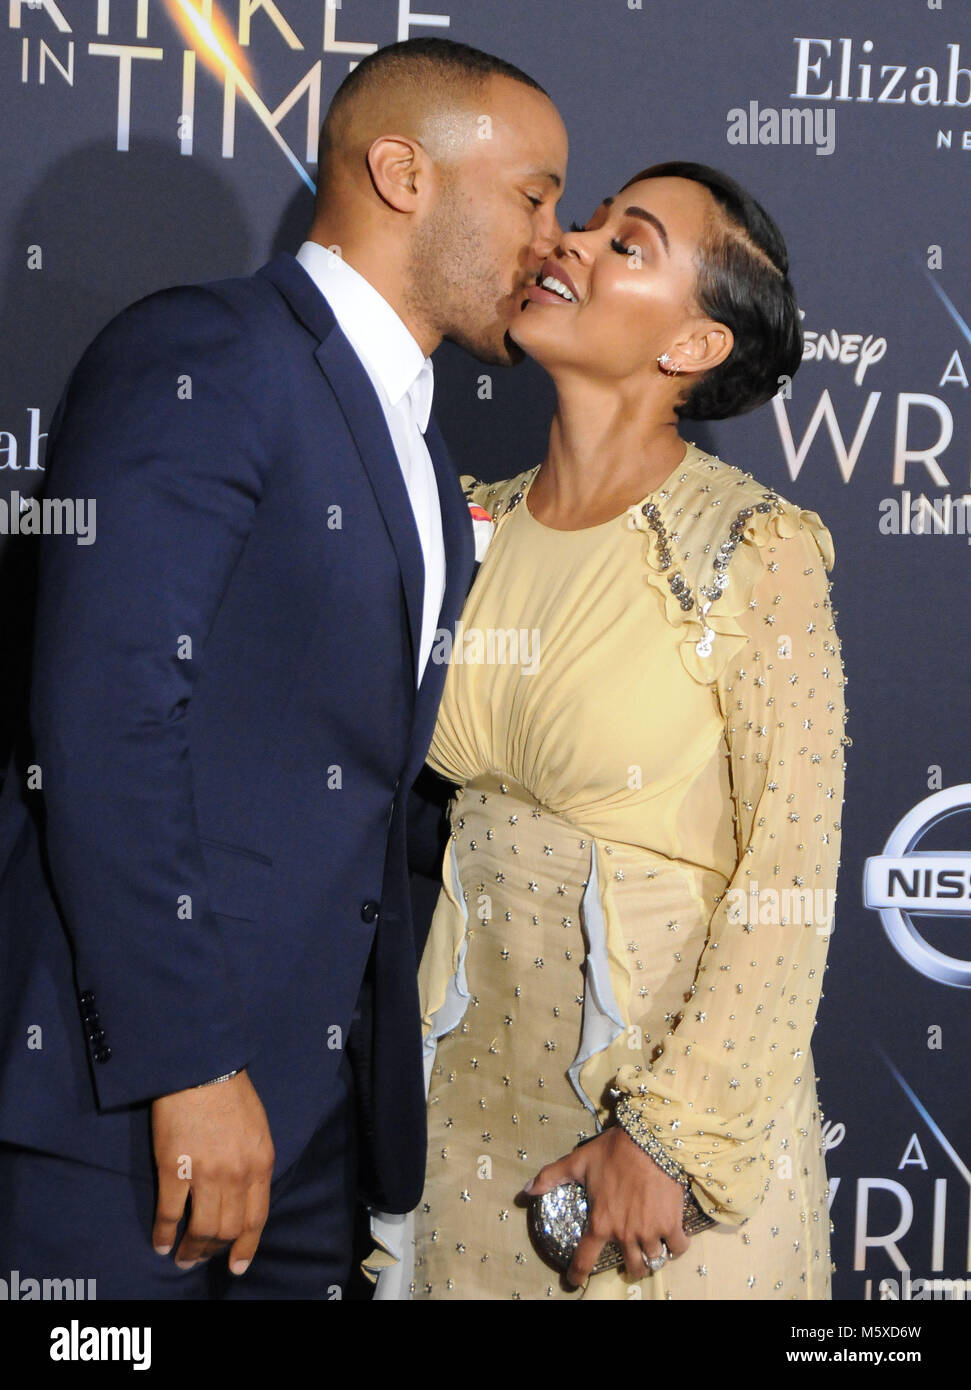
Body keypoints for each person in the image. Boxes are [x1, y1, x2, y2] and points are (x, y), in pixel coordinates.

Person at [0, 38, 567, 1299]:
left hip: (315, 1129)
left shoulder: (420, 454)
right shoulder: (207, 354)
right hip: (135, 1116)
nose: (556, 238)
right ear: (401, 172)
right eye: (533, 193)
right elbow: (105, 715)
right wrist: (189, 1066)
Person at [369, 162, 848, 1300]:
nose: (568, 244)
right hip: (465, 1125)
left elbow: (789, 876)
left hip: (658, 1169)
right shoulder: (463, 520)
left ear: (690, 347)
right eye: (582, 219)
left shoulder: (754, 550)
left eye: (625, 244)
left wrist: (664, 1143)